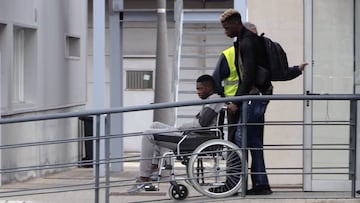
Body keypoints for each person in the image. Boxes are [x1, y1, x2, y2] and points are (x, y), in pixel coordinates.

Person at [210, 8, 273, 196]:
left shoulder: (247, 42)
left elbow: (249, 75)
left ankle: (233, 183)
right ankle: (261, 184)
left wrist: (236, 100)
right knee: (253, 140)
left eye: (227, 28)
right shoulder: (243, 42)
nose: (225, 32)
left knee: (238, 139)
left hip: (252, 98)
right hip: (256, 97)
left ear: (237, 24)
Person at [128, 74, 224, 193]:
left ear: (209, 88)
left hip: (193, 138)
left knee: (148, 134)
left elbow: (202, 124)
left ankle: (144, 177)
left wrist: (183, 126)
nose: (197, 92)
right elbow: (200, 122)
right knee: (155, 125)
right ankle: (153, 165)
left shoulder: (215, 100)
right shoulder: (211, 100)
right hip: (190, 134)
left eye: (200, 88)